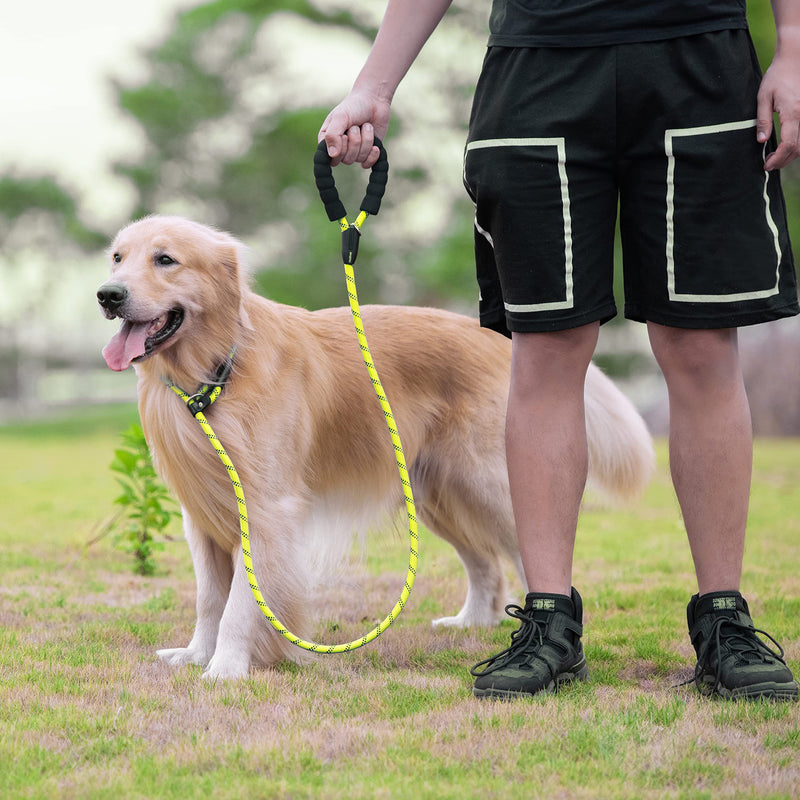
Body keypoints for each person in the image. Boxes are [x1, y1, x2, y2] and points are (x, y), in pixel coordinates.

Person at [319, 0, 800, 701]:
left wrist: (792, 46)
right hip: (537, 66)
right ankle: (549, 619)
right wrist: (375, 85)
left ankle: (723, 618)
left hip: (700, 60)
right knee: (543, 352)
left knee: (701, 350)